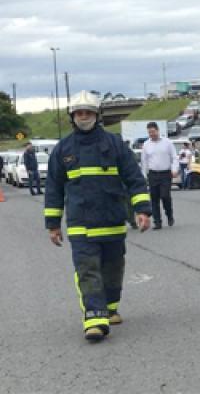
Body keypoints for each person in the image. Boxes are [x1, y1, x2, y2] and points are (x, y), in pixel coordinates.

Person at [44, 90, 152, 342]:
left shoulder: (114, 144)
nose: (84, 117)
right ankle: (94, 318)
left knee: (114, 270)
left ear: (97, 115)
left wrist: (143, 210)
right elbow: (53, 188)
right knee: (88, 269)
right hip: (81, 225)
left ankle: (110, 307)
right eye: (79, 113)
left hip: (112, 221)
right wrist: (53, 224)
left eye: (88, 112)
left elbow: (134, 178)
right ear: (72, 116)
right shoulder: (63, 150)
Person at [141, 122, 179, 229]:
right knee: (154, 199)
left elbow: (174, 157)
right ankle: (157, 222)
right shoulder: (146, 145)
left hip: (165, 174)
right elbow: (144, 161)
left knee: (165, 196)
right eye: (149, 132)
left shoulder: (167, 143)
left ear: (158, 130)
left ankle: (169, 215)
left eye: (153, 132)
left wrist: (174, 169)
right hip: (153, 174)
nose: (152, 134)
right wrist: (144, 175)